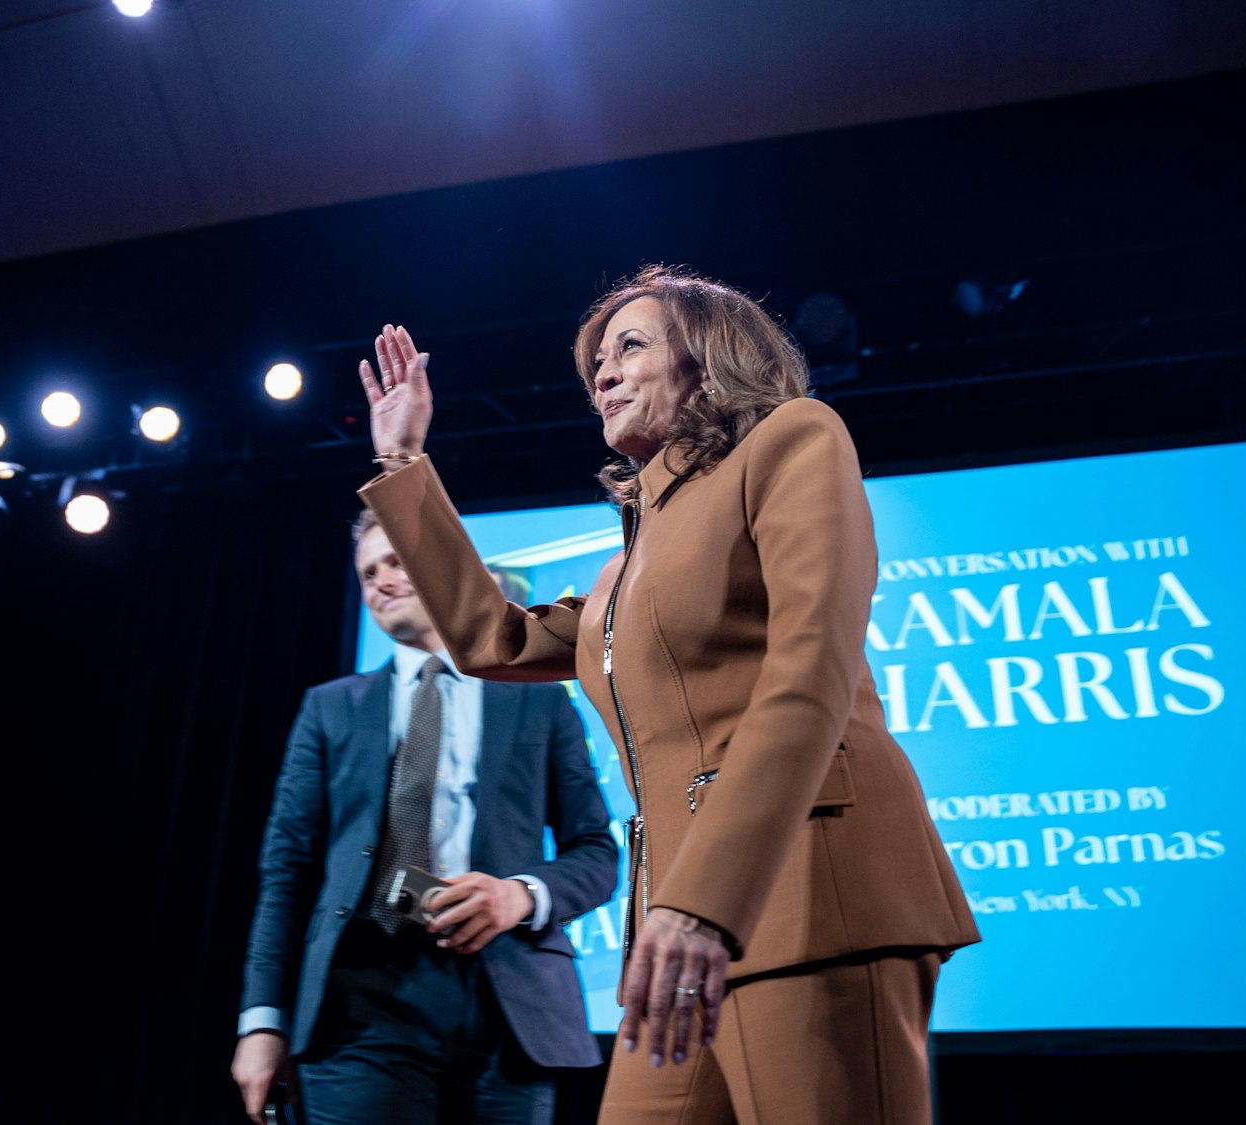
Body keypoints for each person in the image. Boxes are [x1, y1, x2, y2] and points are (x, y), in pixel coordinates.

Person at [353, 266, 982, 1125]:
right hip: (675, 937)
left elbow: (810, 675)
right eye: (595, 365)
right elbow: (487, 639)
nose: (603, 374)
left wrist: (703, 901)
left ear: (710, 359)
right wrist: (403, 461)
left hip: (810, 892)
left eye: (631, 347)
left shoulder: (793, 440)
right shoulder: (619, 572)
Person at [232, 513, 620, 1125]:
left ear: (444, 571)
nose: (381, 581)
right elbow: (287, 873)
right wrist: (261, 1021)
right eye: (368, 572)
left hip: (508, 1009)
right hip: (359, 1005)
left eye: (395, 562)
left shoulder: (540, 698)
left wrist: (519, 896)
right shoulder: (330, 708)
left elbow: (596, 852)